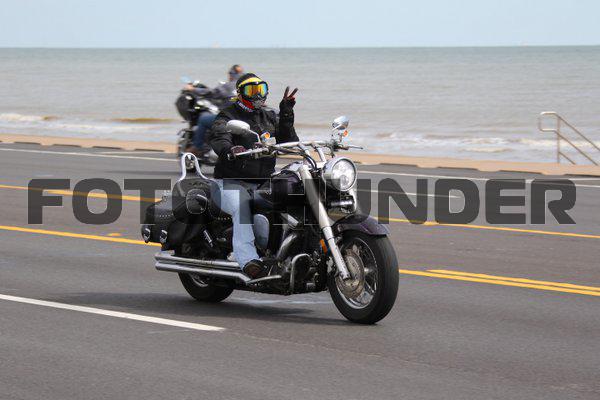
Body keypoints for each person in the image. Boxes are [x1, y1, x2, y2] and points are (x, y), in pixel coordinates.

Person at [209, 73, 299, 278]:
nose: (258, 94)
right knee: (241, 205)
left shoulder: (269, 116)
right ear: (240, 93)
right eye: (252, 89)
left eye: (261, 89)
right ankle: (248, 260)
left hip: (263, 181)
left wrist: (286, 113)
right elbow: (220, 137)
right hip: (230, 183)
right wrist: (230, 149)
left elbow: (289, 141)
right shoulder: (227, 116)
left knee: (294, 193)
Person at [185, 65, 244, 157]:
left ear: (231, 75)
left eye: (229, 74)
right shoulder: (246, 87)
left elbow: (211, 93)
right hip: (244, 120)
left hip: (228, 120)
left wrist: (192, 89)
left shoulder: (228, 86)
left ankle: (196, 147)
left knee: (203, 119)